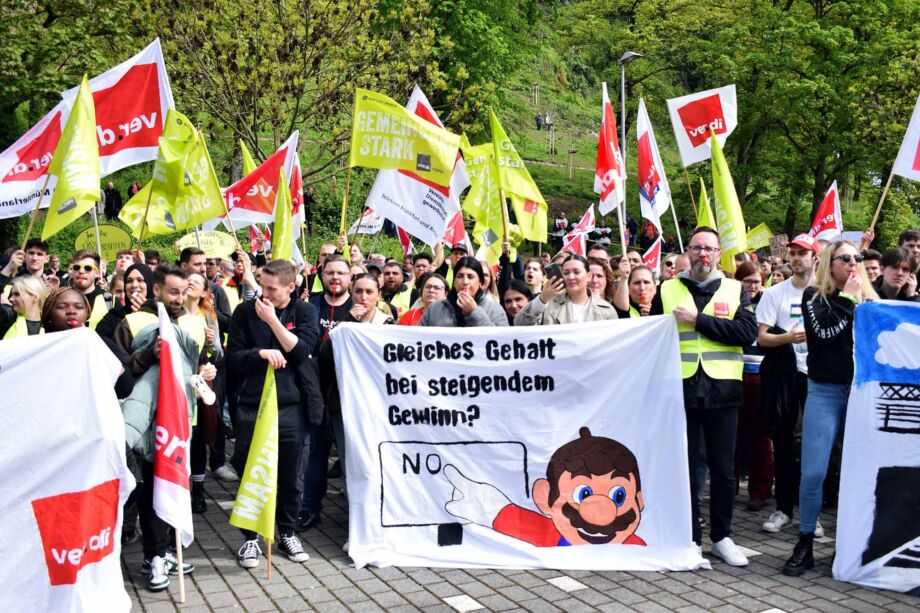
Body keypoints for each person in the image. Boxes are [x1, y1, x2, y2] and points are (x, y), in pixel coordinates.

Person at [650, 226, 757, 566]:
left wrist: (700, 321)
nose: (702, 254)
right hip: (680, 389)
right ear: (688, 251)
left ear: (719, 252)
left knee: (724, 469)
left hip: (723, 391)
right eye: (696, 248)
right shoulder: (666, 289)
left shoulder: (735, 288)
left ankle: (722, 536)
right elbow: (649, 337)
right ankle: (690, 538)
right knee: (687, 468)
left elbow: (747, 333)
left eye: (709, 248)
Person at [783, 240, 877, 576]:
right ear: (829, 264)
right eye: (845, 258)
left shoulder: (871, 302)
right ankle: (805, 540)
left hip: (861, 394)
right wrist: (849, 299)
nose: (853, 262)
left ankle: (851, 544)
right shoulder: (813, 297)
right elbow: (823, 333)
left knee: (859, 473)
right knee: (813, 472)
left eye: (857, 257)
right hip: (823, 391)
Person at [227, 259, 320, 569]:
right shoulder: (244, 312)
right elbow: (234, 358)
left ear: (290, 288)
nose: (263, 293)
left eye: (271, 288)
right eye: (261, 285)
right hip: (253, 405)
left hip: (292, 407)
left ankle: (287, 531)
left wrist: (272, 322)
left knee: (292, 474)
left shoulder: (304, 311)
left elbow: (301, 352)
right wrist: (259, 354)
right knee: (251, 470)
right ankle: (251, 537)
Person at [117, 266, 204, 591]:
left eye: (184, 292)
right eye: (173, 292)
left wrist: (204, 371)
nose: (179, 298)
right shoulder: (134, 322)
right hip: (151, 429)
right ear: (157, 291)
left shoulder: (192, 323)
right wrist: (146, 353)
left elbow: (197, 364)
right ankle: (152, 556)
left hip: (183, 423)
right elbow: (121, 368)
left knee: (173, 490)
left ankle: (168, 551)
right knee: (154, 494)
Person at [756, 234, 819, 536]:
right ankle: (783, 509)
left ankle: (810, 512)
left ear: (814, 258)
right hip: (784, 377)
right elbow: (762, 338)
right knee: (782, 443)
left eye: (802, 253)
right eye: (792, 253)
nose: (795, 258)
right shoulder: (774, 294)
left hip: (819, 378)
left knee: (813, 447)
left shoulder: (826, 294)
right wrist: (788, 338)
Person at [730, 261, 771, 512]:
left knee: (761, 436)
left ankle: (761, 489)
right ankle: (729, 485)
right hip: (733, 374)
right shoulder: (733, 303)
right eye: (747, 281)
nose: (752, 286)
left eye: (756, 281)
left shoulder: (770, 303)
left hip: (762, 376)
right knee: (732, 435)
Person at [185, 273, 225, 514]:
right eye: (187, 279)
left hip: (201, 386)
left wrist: (212, 343)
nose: (190, 283)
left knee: (200, 436)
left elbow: (219, 355)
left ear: (203, 292)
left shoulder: (209, 316)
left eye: (196, 282)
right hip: (179, 383)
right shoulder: (172, 314)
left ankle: (198, 491)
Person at [515, 255, 618, 325]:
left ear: (589, 276)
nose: (571, 277)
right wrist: (542, 299)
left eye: (576, 272)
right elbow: (520, 324)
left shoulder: (607, 310)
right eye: (566, 273)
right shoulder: (547, 305)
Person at [420, 257, 508, 327]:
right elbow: (419, 340)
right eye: (460, 276)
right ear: (454, 282)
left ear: (480, 282)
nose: (465, 282)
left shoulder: (495, 310)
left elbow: (502, 343)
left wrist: (474, 312)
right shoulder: (435, 308)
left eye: (470, 277)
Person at [68, 250, 108, 329]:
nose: (81, 271)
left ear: (97, 273)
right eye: (77, 267)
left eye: (87, 268)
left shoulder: (109, 299)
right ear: (72, 272)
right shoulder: (60, 299)